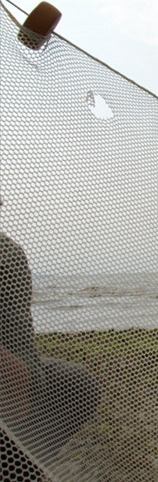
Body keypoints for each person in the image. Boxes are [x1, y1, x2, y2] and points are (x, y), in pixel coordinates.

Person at [1, 195, 101, 464]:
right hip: (14, 388)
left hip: (19, 376)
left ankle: (27, 464)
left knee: (76, 383)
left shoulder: (7, 254)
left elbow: (18, 336)